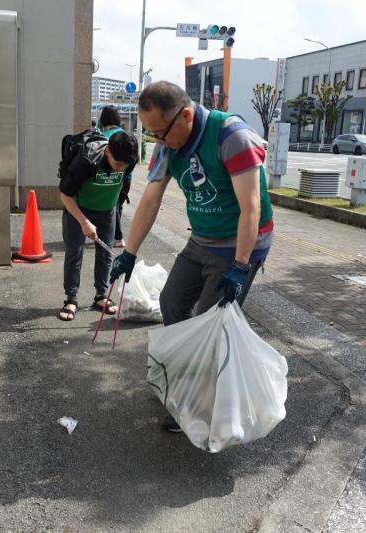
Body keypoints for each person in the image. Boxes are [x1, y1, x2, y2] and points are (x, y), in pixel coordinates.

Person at [109, 81, 274, 431]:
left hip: (240, 243)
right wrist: (130, 253)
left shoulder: (232, 136)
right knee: (171, 303)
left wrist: (240, 267)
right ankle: (185, 374)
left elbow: (251, 207)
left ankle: (201, 405)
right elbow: (151, 198)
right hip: (202, 239)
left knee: (211, 324)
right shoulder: (169, 142)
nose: (157, 141)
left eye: (160, 132)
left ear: (185, 115)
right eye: (151, 133)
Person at [58, 128, 139, 321]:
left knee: (105, 254)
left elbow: (124, 181)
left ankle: (101, 295)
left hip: (107, 210)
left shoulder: (129, 160)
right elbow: (65, 195)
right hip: (78, 209)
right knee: (74, 253)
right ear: (108, 152)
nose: (121, 168)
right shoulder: (87, 161)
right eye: (117, 163)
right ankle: (71, 298)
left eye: (125, 165)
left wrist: (114, 207)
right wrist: (84, 222)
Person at [98, 106, 132, 248]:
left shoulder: (104, 137)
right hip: (126, 179)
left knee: (112, 207)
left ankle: (117, 237)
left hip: (109, 179)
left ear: (103, 119)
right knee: (119, 206)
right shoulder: (127, 136)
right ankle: (115, 235)